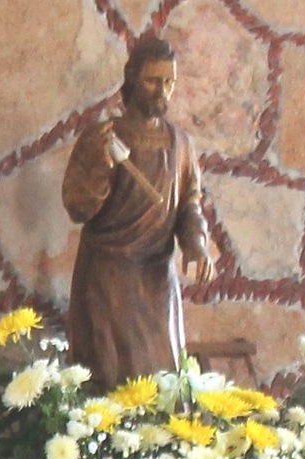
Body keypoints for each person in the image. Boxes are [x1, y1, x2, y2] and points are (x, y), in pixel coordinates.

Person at [62, 33, 217, 388]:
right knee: (110, 383)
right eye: (152, 80)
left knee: (162, 384)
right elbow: (77, 206)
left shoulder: (181, 144)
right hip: (107, 278)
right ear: (132, 79)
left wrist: (196, 243)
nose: (162, 91)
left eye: (169, 82)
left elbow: (189, 202)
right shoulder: (103, 138)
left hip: (157, 280)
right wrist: (101, 166)